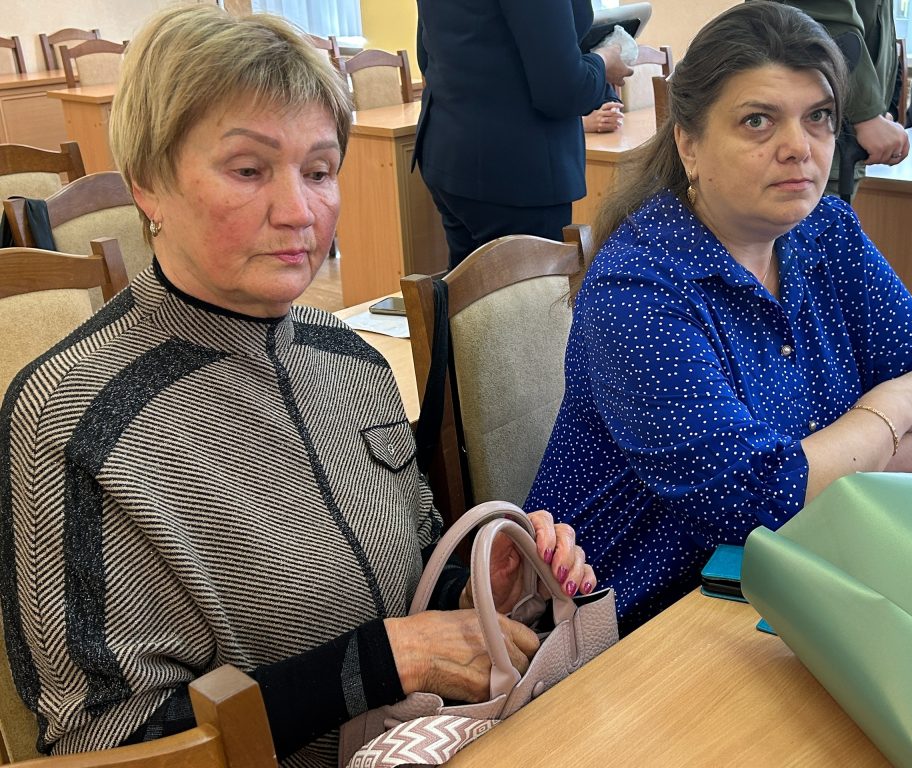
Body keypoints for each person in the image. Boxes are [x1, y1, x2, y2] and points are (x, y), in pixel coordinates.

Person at [0, 7, 596, 766]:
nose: (299, 212)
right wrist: (390, 660)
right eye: (249, 170)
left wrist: (481, 588)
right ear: (148, 184)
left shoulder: (351, 361)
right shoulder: (73, 418)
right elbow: (105, 742)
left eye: (318, 172)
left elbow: (412, 566)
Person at [525, 1, 912, 634]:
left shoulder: (826, 230)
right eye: (757, 121)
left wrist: (830, 465)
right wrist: (896, 408)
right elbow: (753, 502)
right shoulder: (636, 290)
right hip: (646, 619)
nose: (799, 148)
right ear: (689, 143)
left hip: (799, 569)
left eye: (818, 117)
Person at [414, 0, 633, 268]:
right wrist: (603, 60)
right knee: (528, 293)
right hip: (516, 169)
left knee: (467, 288)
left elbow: (426, 57)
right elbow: (562, 92)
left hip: (448, 150)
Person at [773, 0, 910, 193]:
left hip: (842, 136)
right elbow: (824, 21)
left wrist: (880, 112)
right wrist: (866, 114)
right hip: (824, 137)